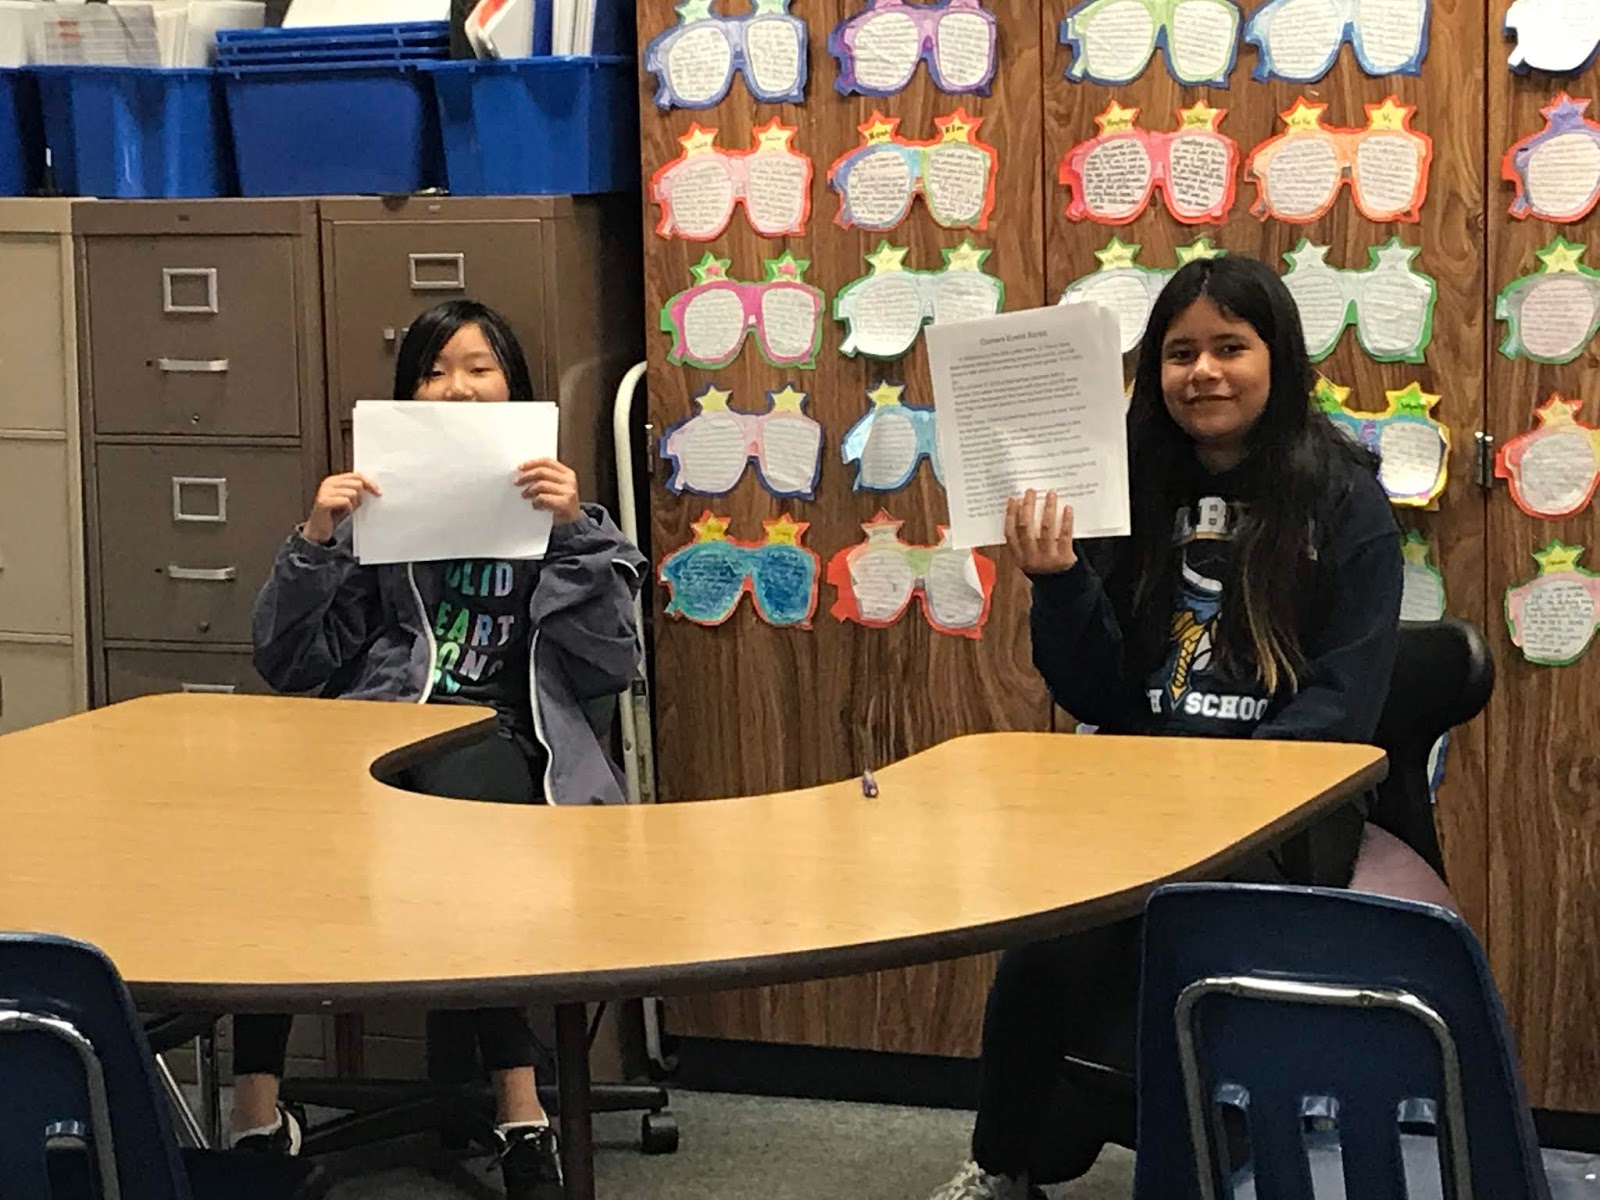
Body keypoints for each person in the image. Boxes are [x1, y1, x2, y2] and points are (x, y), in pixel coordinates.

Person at [927, 255, 1403, 1199]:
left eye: (1231, 347)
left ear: (1278, 358)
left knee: (1191, 927)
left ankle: (1211, 1165)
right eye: (1181, 353)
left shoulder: (1345, 499)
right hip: (1139, 792)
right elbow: (1098, 694)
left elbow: (1344, 703)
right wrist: (1059, 581)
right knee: (1045, 938)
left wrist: (1224, 798)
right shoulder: (1124, 488)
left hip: (1282, 801)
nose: (1204, 373)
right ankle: (1004, 1165)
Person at [233, 299, 647, 1200]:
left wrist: (574, 535)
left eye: (477, 368)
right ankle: (256, 1116)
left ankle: (520, 1111)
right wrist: (316, 541)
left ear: (514, 388)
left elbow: (611, 663)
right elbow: (289, 662)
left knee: (466, 807)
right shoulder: (379, 518)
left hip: (504, 736)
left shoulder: (571, 520)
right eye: (432, 371)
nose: (455, 388)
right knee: (275, 818)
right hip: (380, 730)